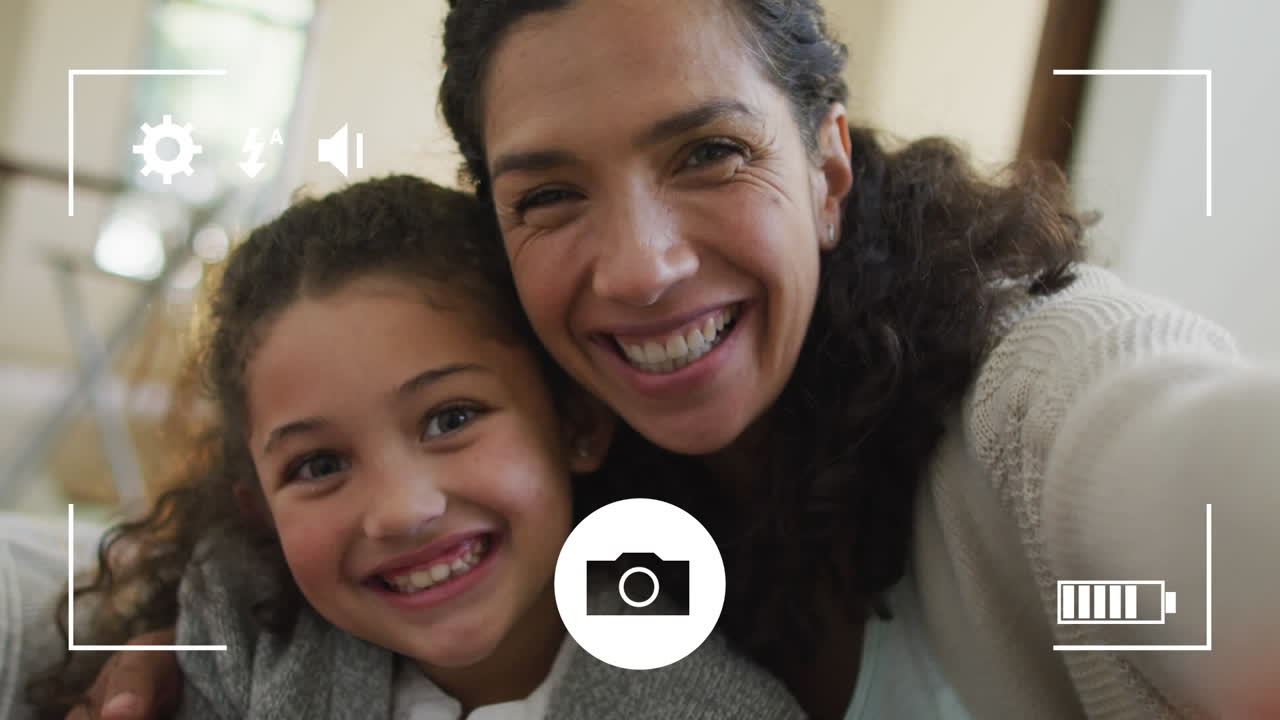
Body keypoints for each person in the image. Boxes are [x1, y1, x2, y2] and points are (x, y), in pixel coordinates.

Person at [65, 0, 1280, 718]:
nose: (640, 268)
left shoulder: (1028, 395)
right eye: (550, 193)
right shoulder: (568, 478)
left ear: (827, 170)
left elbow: (1177, 460)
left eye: (706, 153)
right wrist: (207, 636)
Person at [23, 176, 805, 720]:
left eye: (450, 418)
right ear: (259, 512)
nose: (401, 510)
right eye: (319, 465)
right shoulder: (239, 649)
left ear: (577, 424)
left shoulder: (719, 707)